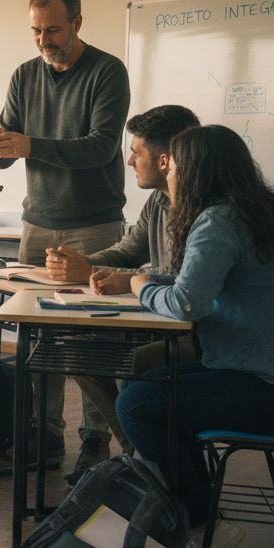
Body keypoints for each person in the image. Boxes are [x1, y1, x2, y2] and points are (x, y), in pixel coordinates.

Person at [116, 124, 274, 548]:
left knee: (138, 404)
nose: (167, 176)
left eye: (173, 167)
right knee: (144, 385)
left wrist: (140, 286)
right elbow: (206, 284)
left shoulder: (219, 221)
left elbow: (188, 302)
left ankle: (200, 524)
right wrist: (150, 283)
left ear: (195, 172)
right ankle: (188, 511)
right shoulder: (252, 214)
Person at [0, 0, 131, 468]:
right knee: (38, 333)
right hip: (38, 223)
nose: (43, 40)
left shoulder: (108, 72)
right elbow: (12, 151)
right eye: (35, 31)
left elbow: (100, 148)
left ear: (78, 24)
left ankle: (96, 438)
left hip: (94, 224)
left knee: (94, 338)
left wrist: (30, 145)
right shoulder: (25, 75)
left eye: (52, 30)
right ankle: (44, 434)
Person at [43, 104, 201, 484]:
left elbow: (184, 281)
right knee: (76, 347)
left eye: (136, 152)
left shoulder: (203, 209)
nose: (129, 161)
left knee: (128, 366)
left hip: (195, 331)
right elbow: (128, 251)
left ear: (164, 160)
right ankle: (139, 457)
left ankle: (144, 463)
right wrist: (79, 265)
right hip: (158, 318)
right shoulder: (158, 201)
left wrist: (97, 272)